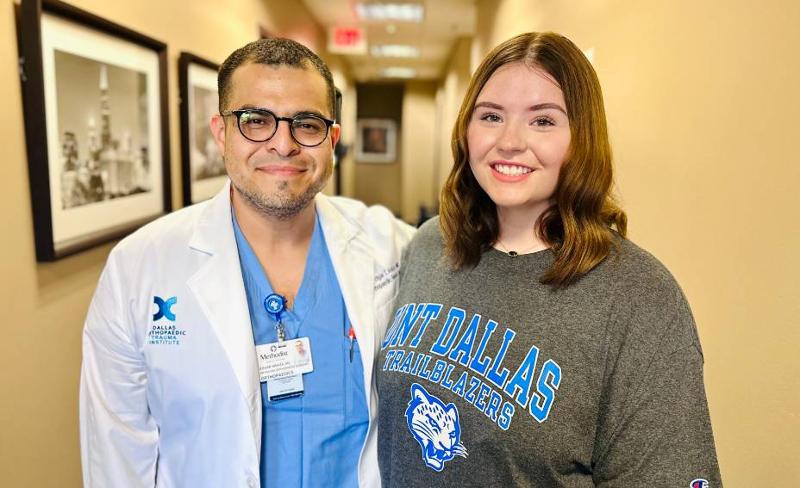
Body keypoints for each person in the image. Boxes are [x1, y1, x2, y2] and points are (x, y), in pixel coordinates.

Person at [377, 32, 722, 487]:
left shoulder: (640, 298)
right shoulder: (430, 245)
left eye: (543, 121)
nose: (509, 141)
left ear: (582, 138)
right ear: (466, 129)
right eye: (491, 116)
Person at [80, 38, 414, 488]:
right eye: (256, 121)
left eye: (307, 124)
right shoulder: (139, 267)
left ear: (332, 139)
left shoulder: (390, 244)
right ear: (221, 133)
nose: (283, 144)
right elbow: (116, 453)